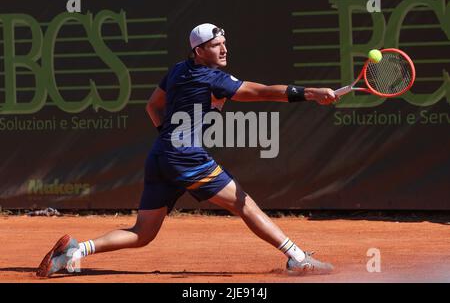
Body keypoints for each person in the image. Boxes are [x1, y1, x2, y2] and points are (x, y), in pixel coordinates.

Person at [36, 23, 337, 277]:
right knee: (244, 204)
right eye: (216, 45)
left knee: (143, 233)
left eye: (224, 43)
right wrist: (311, 93)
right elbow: (263, 92)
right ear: (199, 50)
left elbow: (152, 106)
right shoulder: (214, 79)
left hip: (161, 156)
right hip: (185, 157)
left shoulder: (178, 70)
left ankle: (76, 251)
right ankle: (298, 259)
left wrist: (169, 138)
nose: (224, 49)